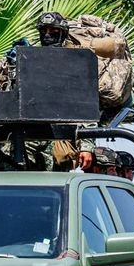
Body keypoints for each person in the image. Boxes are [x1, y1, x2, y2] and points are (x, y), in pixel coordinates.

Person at [33, 12, 95, 171]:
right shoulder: (30, 61)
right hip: (32, 137)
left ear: (63, 33)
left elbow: (86, 107)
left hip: (60, 138)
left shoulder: (74, 65)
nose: (47, 36)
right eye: (43, 31)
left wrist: (87, 146)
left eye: (53, 31)